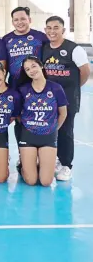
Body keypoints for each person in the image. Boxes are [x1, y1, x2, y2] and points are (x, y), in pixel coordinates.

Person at [42, 15, 90, 181]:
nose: (52, 31)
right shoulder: (44, 48)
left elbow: (85, 72)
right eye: (49, 28)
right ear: (45, 30)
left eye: (56, 28)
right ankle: (53, 160)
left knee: (65, 132)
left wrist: (73, 88)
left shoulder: (74, 49)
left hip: (68, 99)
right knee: (48, 130)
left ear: (63, 30)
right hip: (48, 100)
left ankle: (66, 165)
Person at [17, 56, 68, 187]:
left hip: (48, 137)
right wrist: (28, 124)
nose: (31, 70)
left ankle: (41, 165)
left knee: (46, 182)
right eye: (27, 69)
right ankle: (23, 166)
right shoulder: (23, 90)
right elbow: (17, 114)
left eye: (34, 66)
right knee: (31, 181)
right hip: (28, 136)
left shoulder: (56, 88)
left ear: (41, 66)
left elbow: (63, 113)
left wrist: (54, 129)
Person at [3, 7, 48, 154]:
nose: (20, 22)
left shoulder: (40, 37)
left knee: (39, 118)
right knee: (19, 119)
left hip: (37, 85)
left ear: (29, 19)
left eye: (23, 18)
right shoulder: (7, 39)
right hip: (16, 85)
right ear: (12, 22)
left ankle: (42, 154)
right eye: (16, 19)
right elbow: (3, 64)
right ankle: (24, 155)